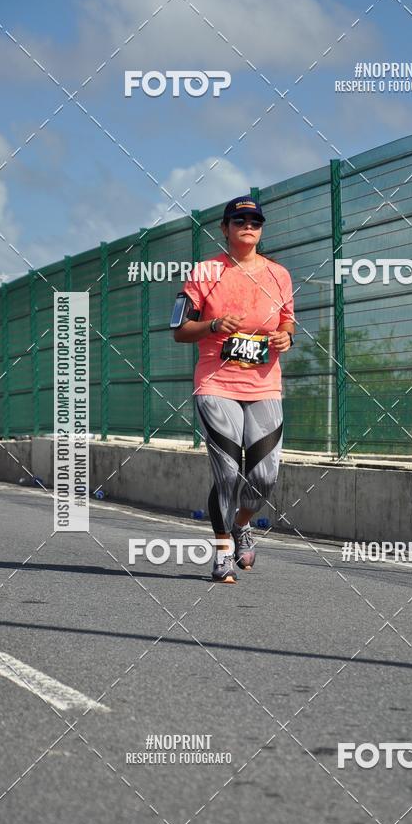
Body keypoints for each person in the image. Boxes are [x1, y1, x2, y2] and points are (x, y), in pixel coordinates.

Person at [171, 196, 295, 583]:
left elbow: (289, 323)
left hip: (264, 385)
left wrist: (285, 338)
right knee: (227, 472)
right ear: (224, 228)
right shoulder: (205, 272)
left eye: (255, 220)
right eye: (239, 219)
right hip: (216, 383)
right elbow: (179, 331)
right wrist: (212, 326)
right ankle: (223, 551)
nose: (248, 225)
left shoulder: (279, 274)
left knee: (265, 475)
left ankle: (242, 523)